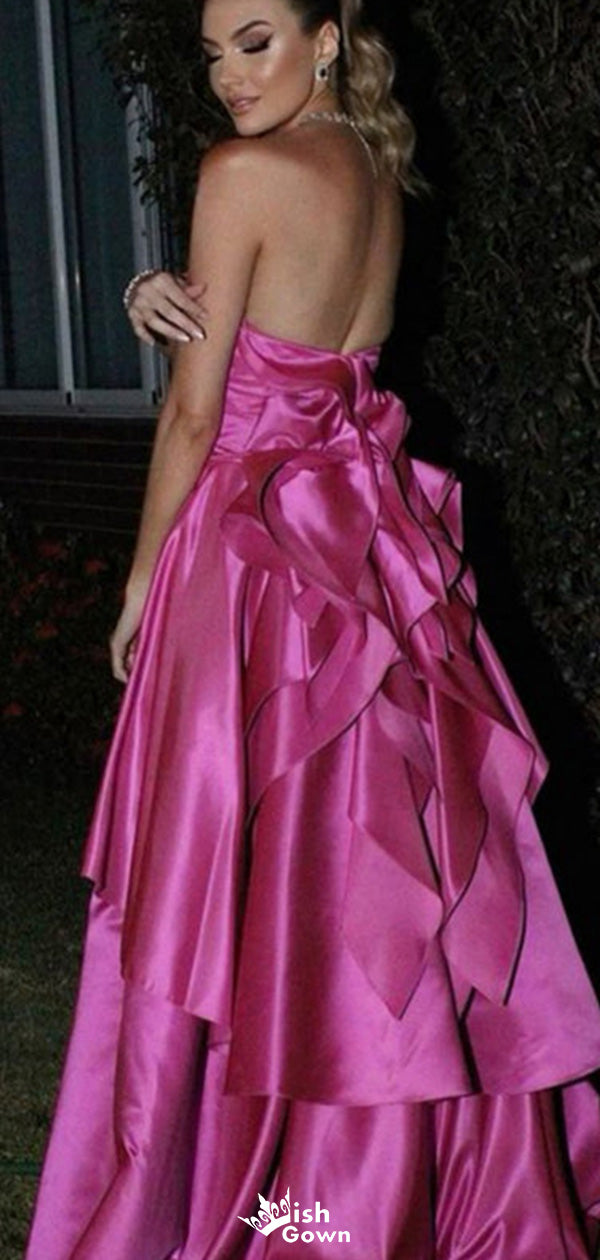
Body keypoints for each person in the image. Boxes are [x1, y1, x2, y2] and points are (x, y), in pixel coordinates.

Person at [23, 0, 600, 1257]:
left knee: (221, 871)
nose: (229, 77)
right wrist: (153, 289)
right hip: (366, 561)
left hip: (247, 561)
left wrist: (140, 579)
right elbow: (295, 336)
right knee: (353, 876)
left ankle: (233, 1197)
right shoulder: (376, 169)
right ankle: (375, 1187)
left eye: (258, 42)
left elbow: (196, 414)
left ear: (328, 36)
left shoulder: (244, 171)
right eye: (213, 53)